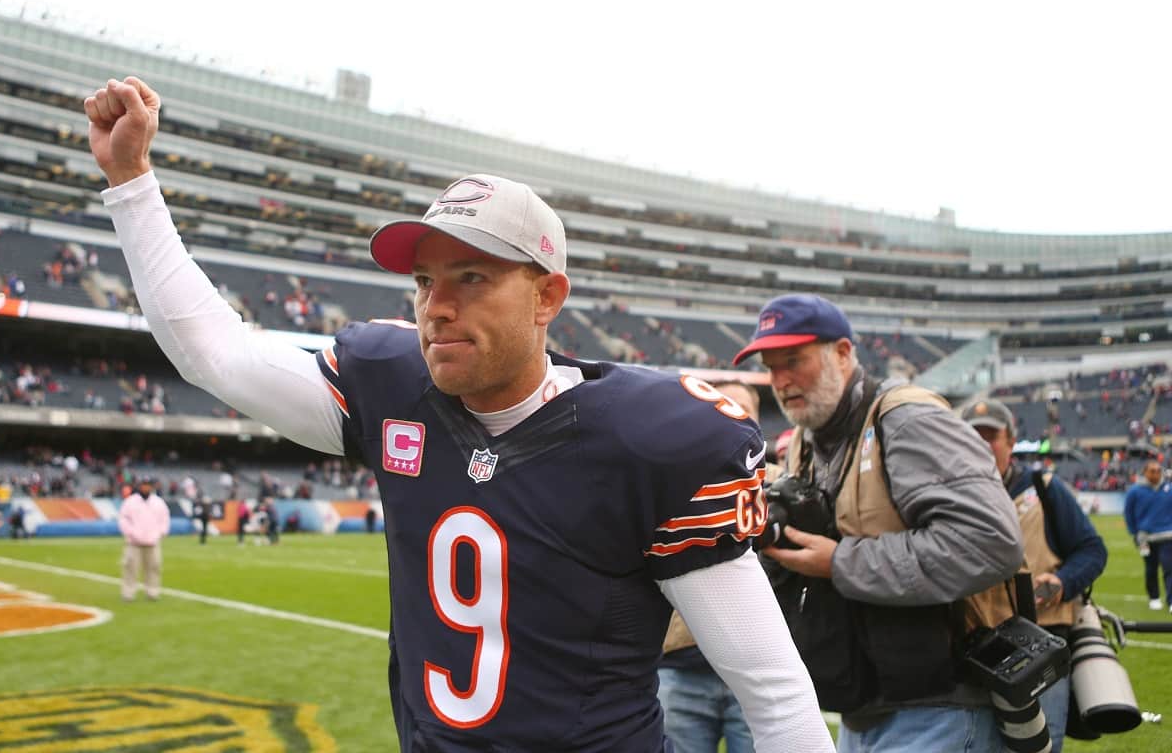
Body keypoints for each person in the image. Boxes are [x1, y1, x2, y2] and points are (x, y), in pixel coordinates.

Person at [83, 77, 833, 752]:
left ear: (547, 297)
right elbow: (214, 354)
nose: (437, 306)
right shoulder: (391, 389)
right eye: (424, 279)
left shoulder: (647, 439)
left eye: (473, 277)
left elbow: (772, 690)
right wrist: (131, 181)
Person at [735, 294, 1026, 753]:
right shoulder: (806, 440)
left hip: (939, 706)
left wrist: (840, 563)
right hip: (865, 703)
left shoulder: (906, 417)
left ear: (844, 353)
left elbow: (991, 542)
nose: (781, 381)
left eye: (794, 360)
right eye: (771, 367)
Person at [961, 399, 1108, 753]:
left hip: (1040, 644)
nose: (982, 445)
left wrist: (1063, 582)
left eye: (991, 437)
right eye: (972, 437)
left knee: (1039, 747)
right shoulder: (948, 496)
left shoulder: (1043, 487)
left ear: (1010, 442)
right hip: (972, 649)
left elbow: (1091, 549)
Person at [658, 381, 765, 753]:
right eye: (725, 405)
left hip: (755, 672)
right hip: (681, 668)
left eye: (743, 407)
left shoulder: (779, 485)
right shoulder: (665, 480)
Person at [1123, 460, 1172, 611]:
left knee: (1169, 568)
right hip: (1146, 538)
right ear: (1145, 472)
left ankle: (1171, 601)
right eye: (1152, 471)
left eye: (1158, 470)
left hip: (1167, 536)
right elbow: (1128, 513)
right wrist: (1135, 532)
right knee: (1151, 569)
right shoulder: (1135, 491)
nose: (1156, 473)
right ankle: (1154, 598)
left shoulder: (1169, 489)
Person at [117, 478, 170, 601]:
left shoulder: (158, 502)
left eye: (148, 485)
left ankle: (152, 592)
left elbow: (165, 519)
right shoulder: (130, 502)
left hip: (152, 541)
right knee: (130, 567)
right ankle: (128, 593)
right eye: (143, 485)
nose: (146, 488)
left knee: (154, 567)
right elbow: (123, 519)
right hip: (134, 542)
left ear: (151, 487)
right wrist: (130, 533)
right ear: (139, 486)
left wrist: (160, 533)